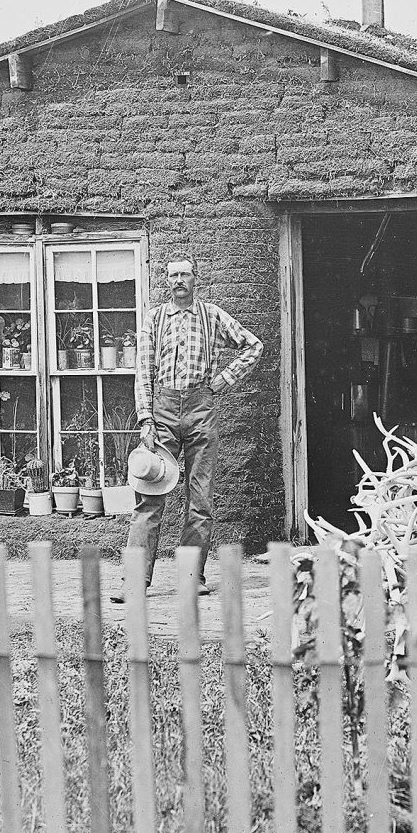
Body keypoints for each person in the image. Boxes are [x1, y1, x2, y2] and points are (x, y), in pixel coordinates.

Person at [111, 257, 263, 603]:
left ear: (197, 279)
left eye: (185, 274)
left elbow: (254, 346)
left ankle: (192, 576)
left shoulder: (212, 316)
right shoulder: (155, 318)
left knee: (200, 498)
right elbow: (144, 371)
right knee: (150, 497)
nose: (179, 280)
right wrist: (146, 420)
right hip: (162, 411)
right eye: (173, 275)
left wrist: (222, 382)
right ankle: (134, 581)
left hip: (200, 411)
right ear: (167, 281)